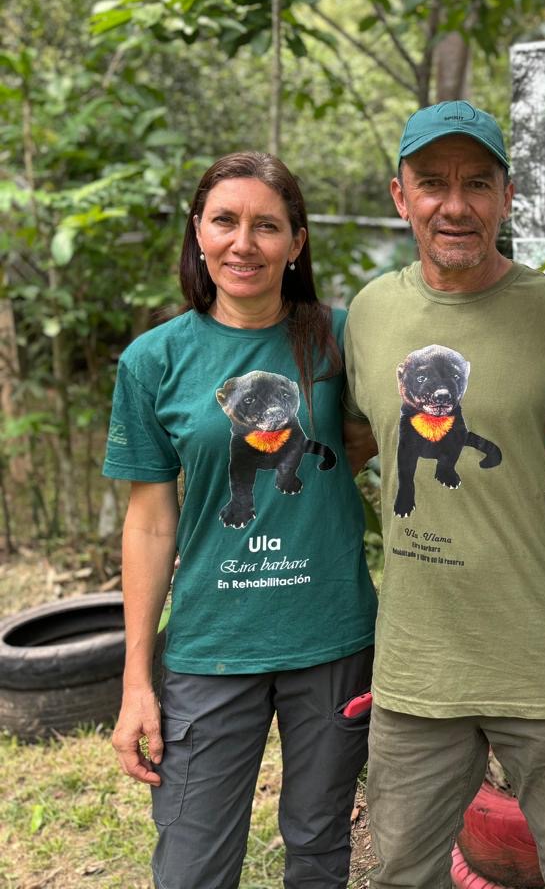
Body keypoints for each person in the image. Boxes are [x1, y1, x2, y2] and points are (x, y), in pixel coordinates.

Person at [340, 100, 545, 889]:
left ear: (507, 196)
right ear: (401, 197)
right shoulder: (369, 313)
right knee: (402, 872)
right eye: (432, 183)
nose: (454, 205)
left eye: (476, 184)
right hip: (417, 667)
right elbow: (354, 438)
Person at [104, 152, 378, 888]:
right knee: (192, 865)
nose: (243, 243)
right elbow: (149, 523)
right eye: (225, 221)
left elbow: (363, 439)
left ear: (296, 242)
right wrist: (136, 681)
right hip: (211, 644)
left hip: (329, 636)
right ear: (198, 232)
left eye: (267, 226)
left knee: (319, 848)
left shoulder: (342, 339)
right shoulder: (154, 360)